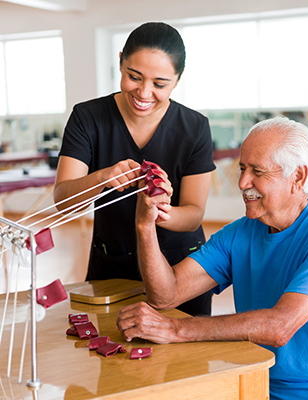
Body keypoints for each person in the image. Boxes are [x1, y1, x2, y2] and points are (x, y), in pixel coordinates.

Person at [116, 116, 308, 399]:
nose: (243, 182)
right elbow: (165, 295)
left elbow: (278, 327)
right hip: (260, 384)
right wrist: (145, 226)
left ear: (298, 177)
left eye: (257, 171)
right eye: (243, 168)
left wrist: (174, 328)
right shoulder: (241, 233)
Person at [54, 22, 216, 316]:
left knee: (184, 360)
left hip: (179, 267)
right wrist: (102, 178)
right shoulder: (87, 118)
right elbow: (63, 200)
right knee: (109, 353)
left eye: (160, 84)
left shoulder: (194, 127)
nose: (144, 92)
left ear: (177, 80)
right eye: (134, 76)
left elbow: (193, 215)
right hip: (112, 263)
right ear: (120, 62)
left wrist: (161, 211)